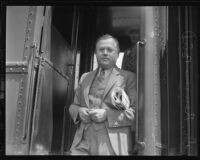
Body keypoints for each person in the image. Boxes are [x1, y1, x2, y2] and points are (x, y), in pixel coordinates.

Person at [69, 34, 137, 155]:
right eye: (101, 50)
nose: (105, 53)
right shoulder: (85, 77)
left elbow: (135, 113)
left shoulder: (128, 78)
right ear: (96, 53)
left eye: (110, 50)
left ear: (117, 54)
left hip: (112, 144)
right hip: (82, 142)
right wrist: (79, 112)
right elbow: (74, 106)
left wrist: (107, 115)